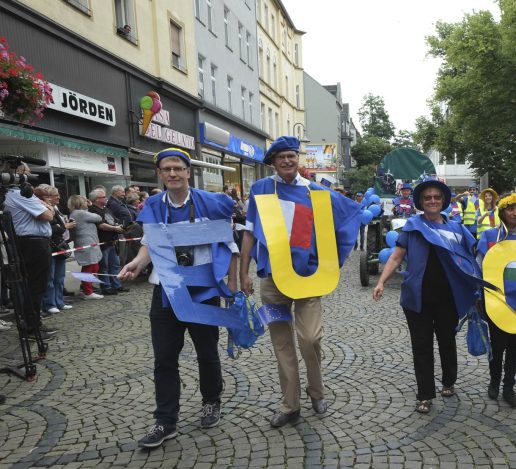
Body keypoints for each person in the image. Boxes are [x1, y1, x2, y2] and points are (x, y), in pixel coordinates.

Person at [119, 147, 239, 448]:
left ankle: (212, 401)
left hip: (202, 290)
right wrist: (137, 263)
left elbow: (229, 243)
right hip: (167, 290)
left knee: (207, 352)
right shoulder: (154, 206)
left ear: (188, 172)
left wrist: (234, 284)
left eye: (178, 168)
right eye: (166, 169)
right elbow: (150, 245)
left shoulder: (211, 203)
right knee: (164, 358)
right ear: (160, 174)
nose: (172, 174)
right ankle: (165, 421)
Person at [240, 136, 360, 428]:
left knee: (310, 338)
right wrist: (243, 273)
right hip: (271, 281)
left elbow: (347, 220)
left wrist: (331, 263)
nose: (286, 161)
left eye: (291, 156)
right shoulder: (260, 190)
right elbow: (249, 233)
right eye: (280, 157)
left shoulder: (316, 192)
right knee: (281, 343)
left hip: (308, 281)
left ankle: (316, 391)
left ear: (298, 159)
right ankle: (290, 405)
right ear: (273, 162)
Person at [373, 179, 480, 414]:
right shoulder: (412, 227)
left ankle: (449, 381)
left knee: (447, 342)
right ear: (421, 202)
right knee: (421, 346)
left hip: (448, 298)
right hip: (417, 298)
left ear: (443, 201)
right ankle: (424, 394)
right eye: (427, 198)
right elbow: (396, 257)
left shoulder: (456, 228)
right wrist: (381, 281)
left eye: (437, 197)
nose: (432, 201)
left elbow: (471, 259)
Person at [476, 194, 516, 408]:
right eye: (511, 209)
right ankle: (494, 381)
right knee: (497, 345)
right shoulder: (490, 235)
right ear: (503, 212)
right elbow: (479, 265)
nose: (515, 213)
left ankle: (509, 387)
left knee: (514, 345)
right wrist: (479, 295)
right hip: (495, 298)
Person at [5, 178, 57, 336]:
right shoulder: (20, 194)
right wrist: (47, 206)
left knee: (36, 285)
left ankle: (34, 322)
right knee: (35, 286)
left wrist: (47, 207)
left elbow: (49, 213)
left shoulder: (19, 194)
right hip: (33, 244)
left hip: (34, 243)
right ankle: (31, 325)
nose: (29, 178)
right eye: (25, 173)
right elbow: (48, 215)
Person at [39, 186, 75, 314]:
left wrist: (62, 226)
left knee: (59, 277)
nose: (58, 197)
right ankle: (50, 304)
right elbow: (53, 228)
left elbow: (59, 227)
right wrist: (64, 226)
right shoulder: (43, 209)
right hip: (50, 245)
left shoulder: (56, 209)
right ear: (46, 197)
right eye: (55, 195)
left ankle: (59, 302)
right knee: (50, 277)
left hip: (59, 245)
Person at [88, 188, 127, 296]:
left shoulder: (106, 209)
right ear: (96, 199)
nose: (106, 198)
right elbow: (101, 225)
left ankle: (116, 285)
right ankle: (106, 287)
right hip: (103, 242)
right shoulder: (93, 210)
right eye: (103, 197)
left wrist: (118, 225)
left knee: (115, 265)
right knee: (104, 266)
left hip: (112, 241)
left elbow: (113, 220)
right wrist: (115, 228)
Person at [68, 195, 105, 300]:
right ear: (80, 203)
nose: (87, 202)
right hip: (87, 243)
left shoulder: (78, 213)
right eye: (85, 201)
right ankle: (88, 292)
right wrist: (91, 205)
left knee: (94, 266)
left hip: (89, 243)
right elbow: (98, 218)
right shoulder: (80, 213)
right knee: (89, 268)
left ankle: (86, 287)